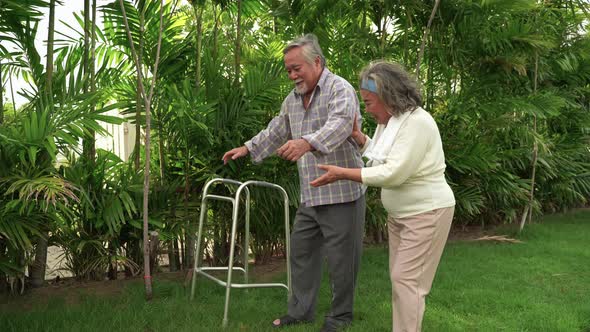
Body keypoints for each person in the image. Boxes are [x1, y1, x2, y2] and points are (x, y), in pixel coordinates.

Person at [222, 34, 366, 332]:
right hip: (310, 194)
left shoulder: (341, 89)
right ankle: (301, 312)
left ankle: (340, 317)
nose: (292, 75)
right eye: (288, 70)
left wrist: (306, 143)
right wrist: (248, 148)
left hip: (342, 192)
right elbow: (277, 128)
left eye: (296, 68)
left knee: (342, 262)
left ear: (316, 62)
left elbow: (340, 125)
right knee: (301, 252)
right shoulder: (293, 100)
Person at [310, 61, 455, 332]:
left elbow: (394, 173)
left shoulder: (418, 122)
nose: (366, 109)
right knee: (403, 283)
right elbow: (382, 156)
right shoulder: (391, 122)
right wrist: (360, 138)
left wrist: (344, 172)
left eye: (368, 102)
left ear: (387, 96)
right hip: (401, 215)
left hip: (427, 212)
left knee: (406, 282)